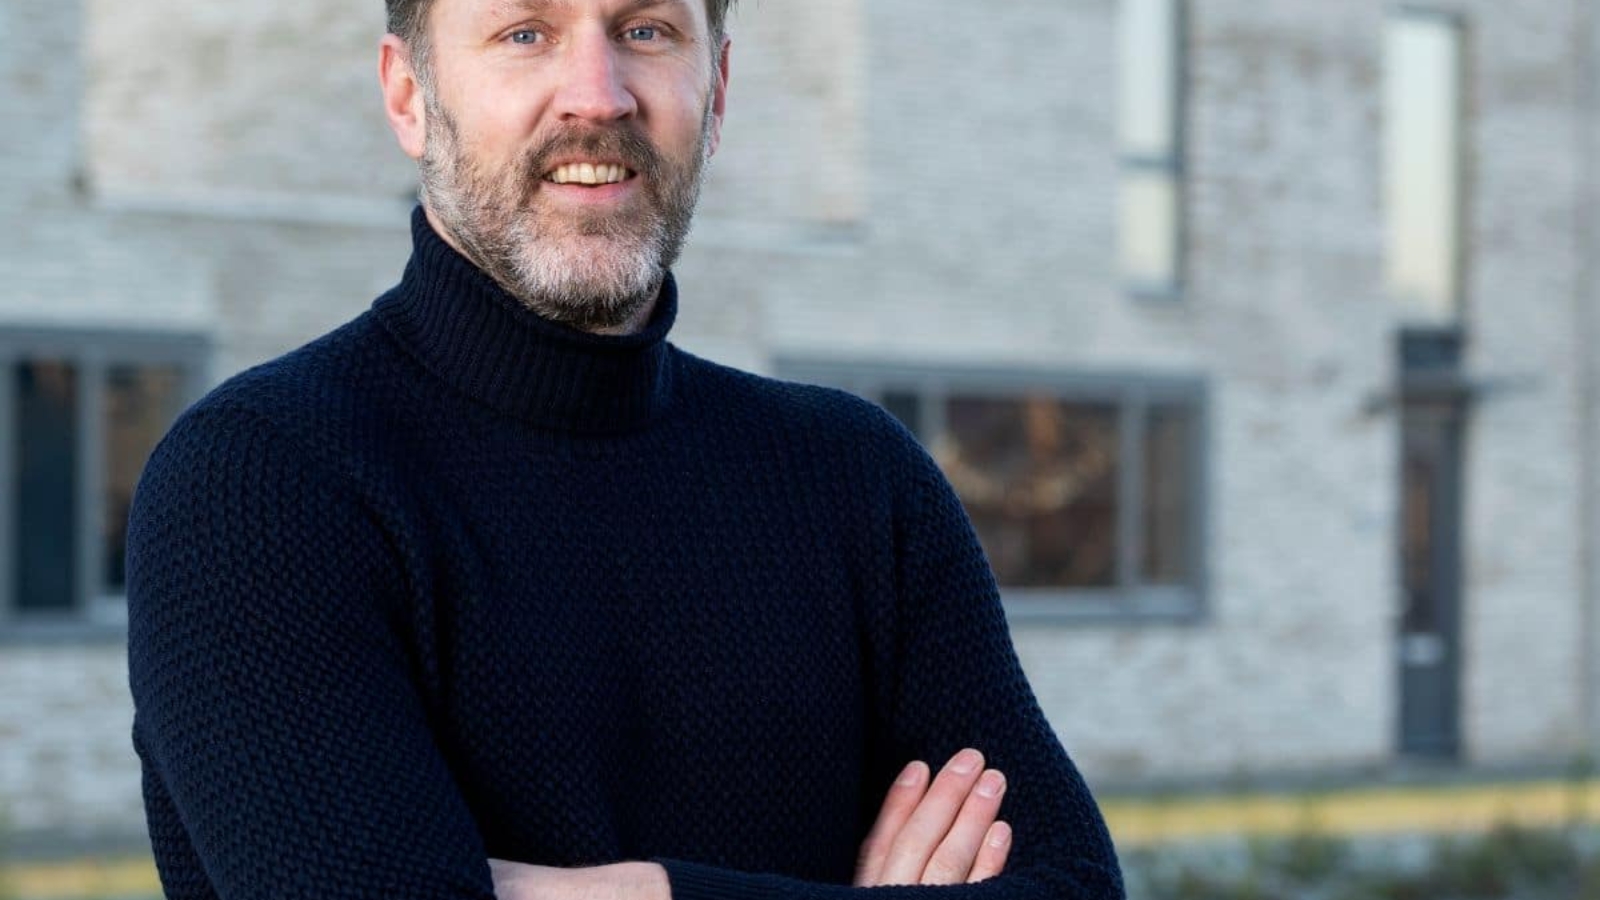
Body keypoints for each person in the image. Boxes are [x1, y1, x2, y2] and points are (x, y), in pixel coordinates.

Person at [124, 0, 1125, 897]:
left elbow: (1075, 882)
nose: (598, 96)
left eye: (646, 30)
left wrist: (636, 893)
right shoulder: (261, 483)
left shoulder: (858, 478)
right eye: (525, 33)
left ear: (716, 90)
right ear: (408, 96)